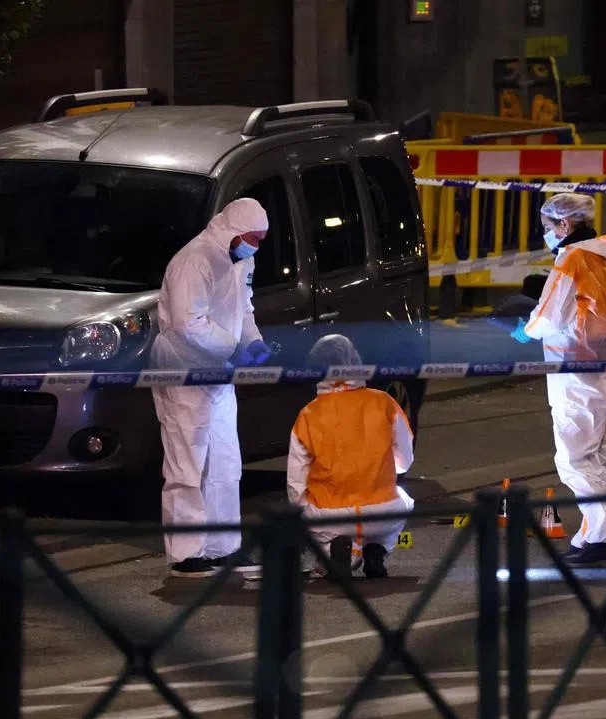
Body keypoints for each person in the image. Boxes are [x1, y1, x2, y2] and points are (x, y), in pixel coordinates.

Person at [152, 198, 273, 578]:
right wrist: (233, 348)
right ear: (234, 231)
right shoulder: (195, 260)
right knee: (186, 463)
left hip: (219, 373)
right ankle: (186, 554)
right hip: (184, 371)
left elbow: (244, 309)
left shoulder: (240, 260)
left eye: (260, 240)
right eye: (253, 238)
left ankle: (223, 547)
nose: (256, 246)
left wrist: (253, 342)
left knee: (224, 462)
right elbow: (188, 324)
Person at [511, 193, 606, 568]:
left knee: (573, 458)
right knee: (593, 455)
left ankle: (602, 536)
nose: (546, 234)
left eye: (548, 227)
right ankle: (590, 536)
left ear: (564, 224)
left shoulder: (572, 258)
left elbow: (550, 316)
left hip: (576, 366)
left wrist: (525, 331)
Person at [286, 335, 414, 579]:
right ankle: (377, 549)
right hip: (383, 511)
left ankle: (338, 552)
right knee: (405, 499)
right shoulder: (384, 402)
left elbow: (296, 480)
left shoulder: (308, 414)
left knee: (317, 527)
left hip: (329, 516)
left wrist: (302, 516)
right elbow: (404, 459)